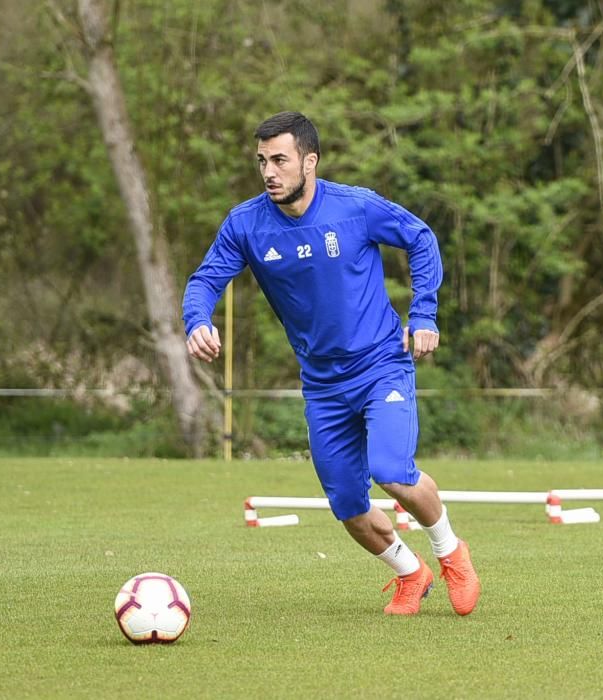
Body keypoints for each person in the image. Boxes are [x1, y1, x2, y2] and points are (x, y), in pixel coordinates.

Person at [182, 111, 480, 616]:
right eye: (262, 161)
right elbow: (205, 279)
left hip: (383, 364)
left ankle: (451, 552)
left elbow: (422, 238)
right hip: (322, 385)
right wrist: (196, 321)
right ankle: (412, 574)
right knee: (347, 505)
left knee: (391, 469)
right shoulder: (246, 224)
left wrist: (424, 311)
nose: (269, 172)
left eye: (280, 159)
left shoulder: (355, 208)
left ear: (310, 161)